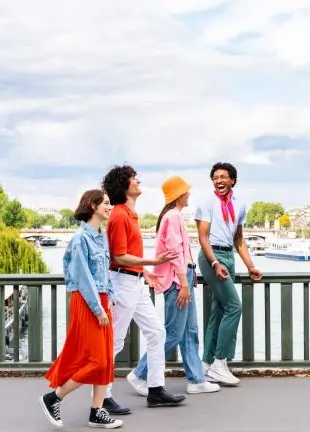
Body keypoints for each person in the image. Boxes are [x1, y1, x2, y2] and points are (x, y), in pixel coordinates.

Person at [101, 164, 185, 413]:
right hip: (123, 284)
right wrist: (154, 262)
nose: (138, 181)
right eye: (133, 178)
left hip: (134, 282)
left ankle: (156, 390)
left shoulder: (130, 214)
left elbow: (128, 256)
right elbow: (118, 256)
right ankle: (103, 397)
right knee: (114, 342)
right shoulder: (118, 215)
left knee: (157, 333)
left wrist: (145, 272)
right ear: (124, 185)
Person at [129, 176, 221, 394]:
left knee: (190, 331)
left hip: (182, 277)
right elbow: (175, 253)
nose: (189, 193)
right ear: (178, 195)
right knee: (174, 333)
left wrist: (187, 279)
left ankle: (196, 380)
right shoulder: (173, 217)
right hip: (177, 280)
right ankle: (139, 373)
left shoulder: (172, 216)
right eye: (186, 191)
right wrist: (184, 283)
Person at [39, 189, 122, 429]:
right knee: (94, 360)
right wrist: (98, 308)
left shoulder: (101, 236)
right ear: (93, 205)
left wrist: (111, 300)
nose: (109, 207)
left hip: (102, 300)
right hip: (87, 302)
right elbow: (83, 278)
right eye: (106, 203)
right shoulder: (80, 239)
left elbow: (105, 274)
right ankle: (54, 397)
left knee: (105, 360)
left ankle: (97, 412)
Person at [195, 162, 262, 386]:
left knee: (219, 310)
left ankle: (206, 363)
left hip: (229, 257)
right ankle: (220, 363)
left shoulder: (240, 204)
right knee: (235, 306)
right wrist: (214, 262)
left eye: (223, 177)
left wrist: (250, 265)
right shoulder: (207, 203)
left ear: (232, 180)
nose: (219, 181)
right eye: (215, 177)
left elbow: (238, 240)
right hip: (211, 256)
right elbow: (203, 237)